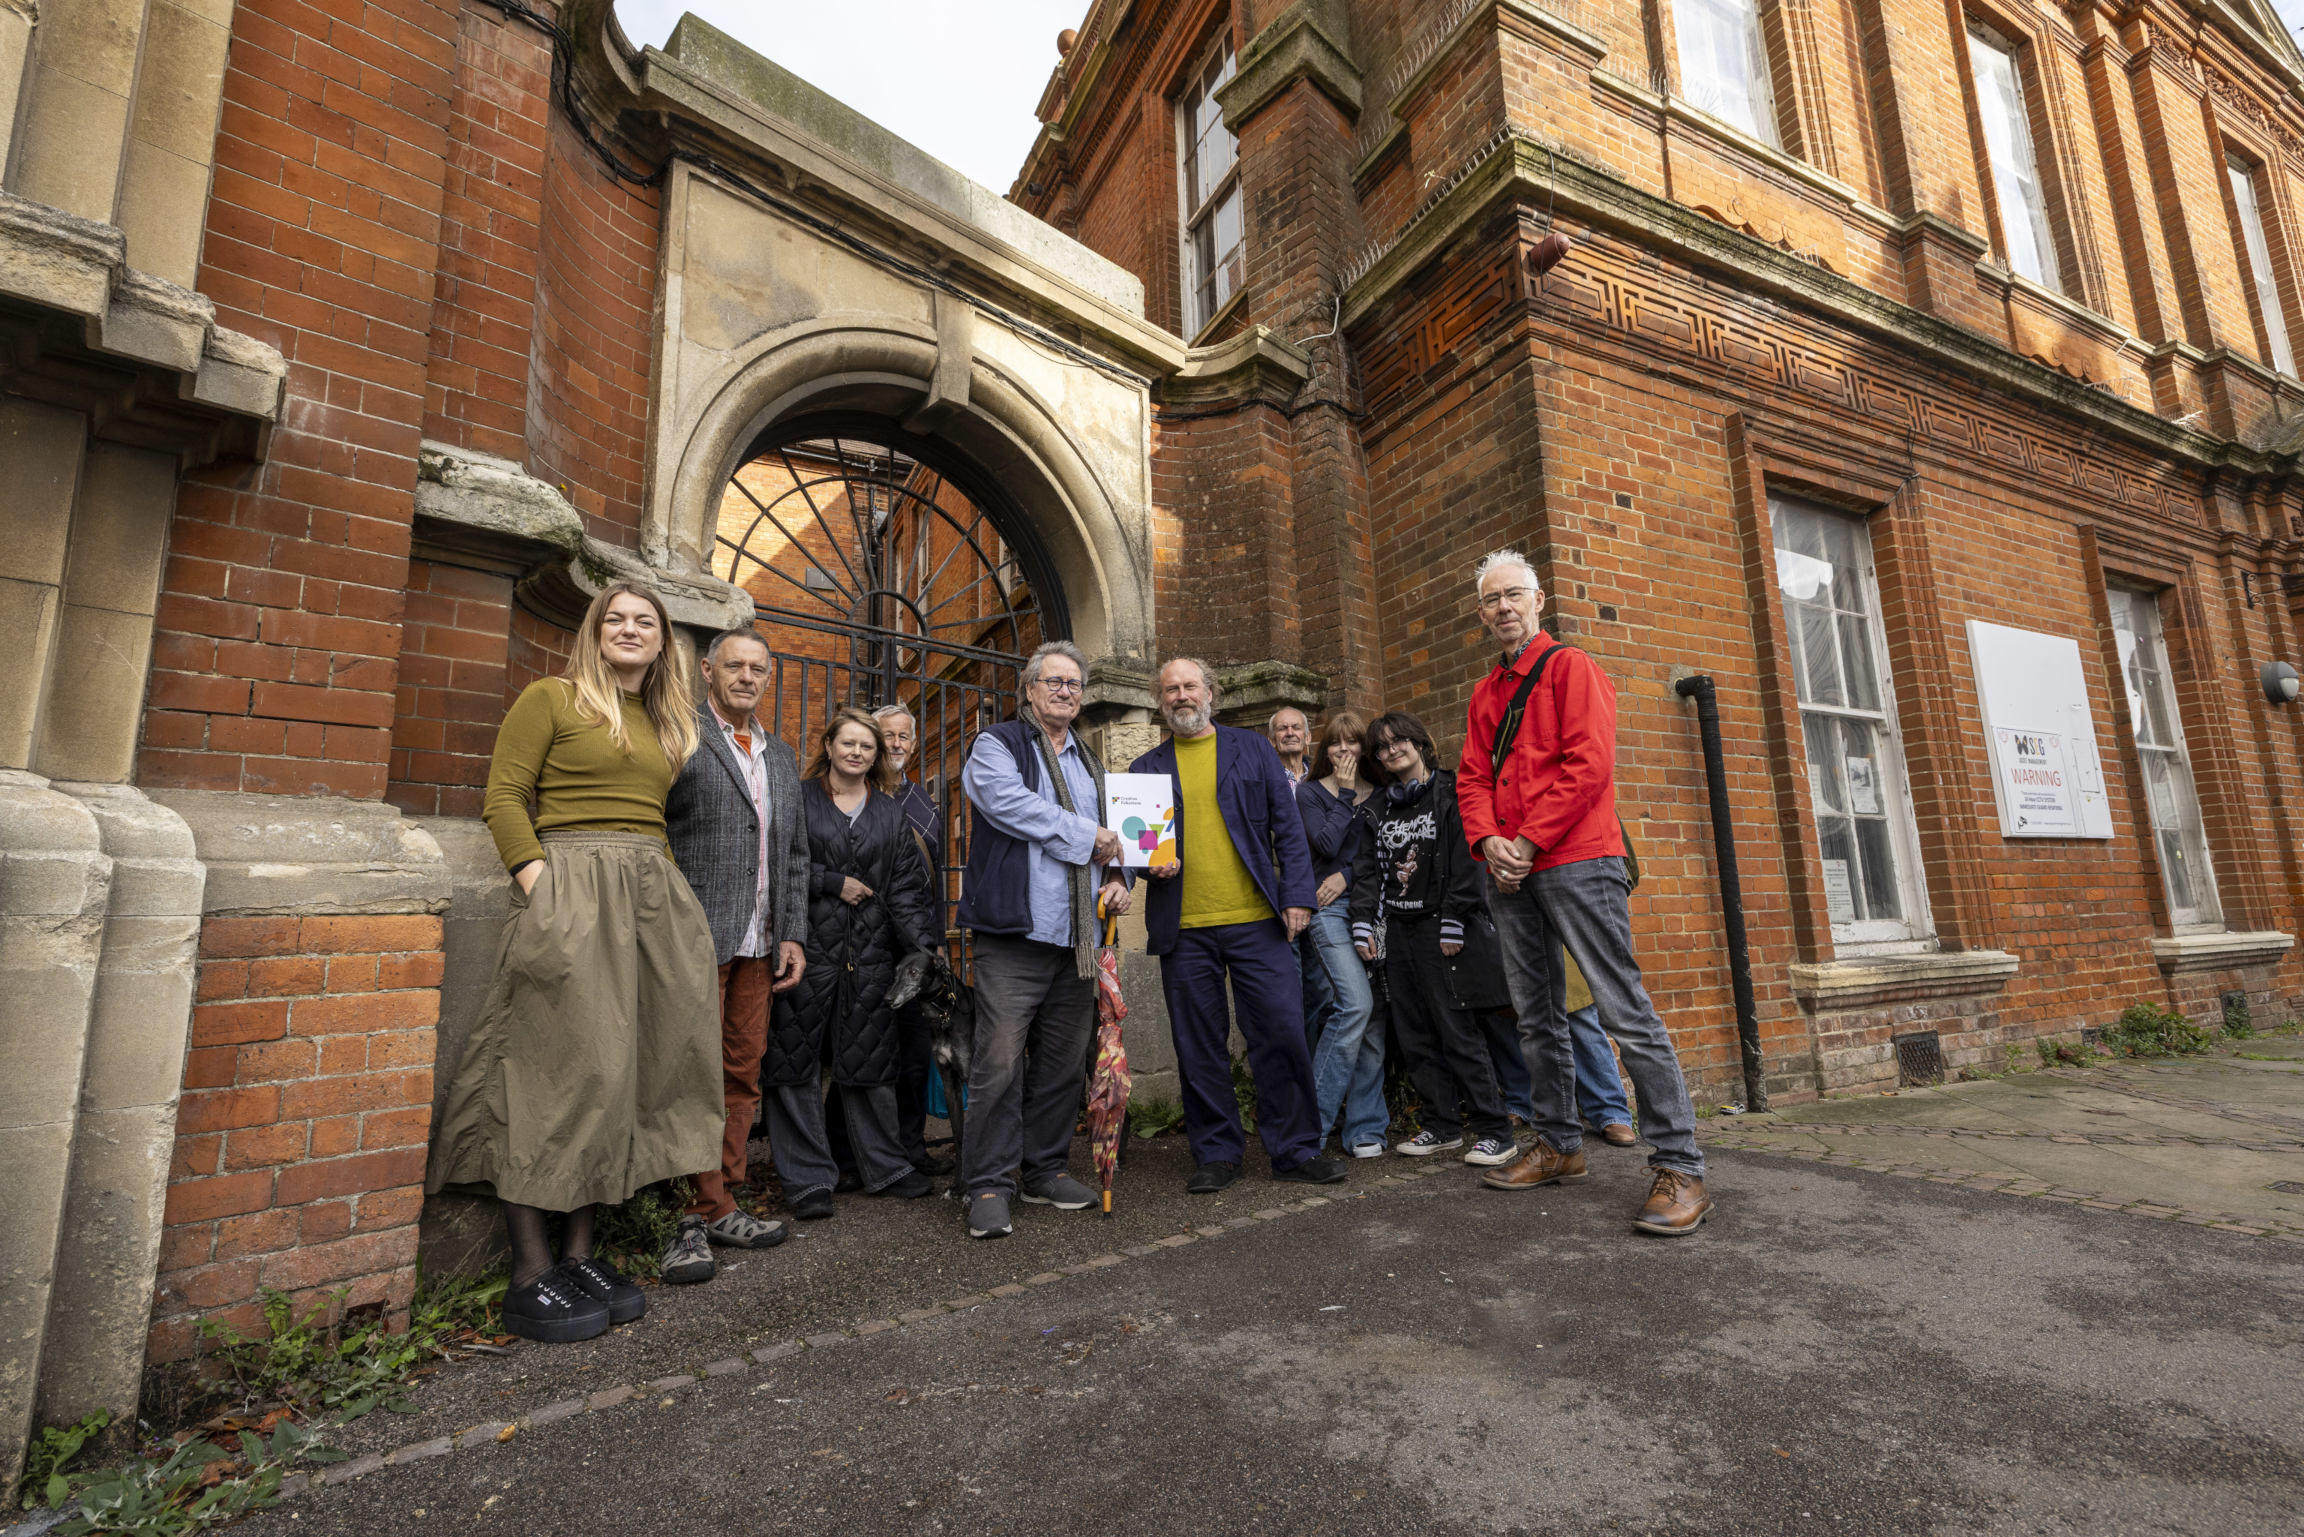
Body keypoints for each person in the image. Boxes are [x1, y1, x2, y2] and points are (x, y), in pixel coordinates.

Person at [428, 582, 720, 1343]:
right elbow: (504, 797)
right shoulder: (551, 697)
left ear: (663, 643)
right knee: (551, 1072)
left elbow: (655, 820)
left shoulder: (665, 719)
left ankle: (581, 1253)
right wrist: (543, 889)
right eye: (615, 618)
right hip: (571, 891)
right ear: (595, 631)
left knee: (616, 1073)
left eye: (644, 622)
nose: (629, 629)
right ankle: (531, 1273)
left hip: (646, 902)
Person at [1456, 549, 1711, 1233]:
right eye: (1491, 599)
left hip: (1575, 858)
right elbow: (1471, 778)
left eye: (1514, 594)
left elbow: (1589, 764)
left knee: (1623, 1010)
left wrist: (1527, 842)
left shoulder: (1572, 668)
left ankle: (1681, 1166)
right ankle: (1560, 1146)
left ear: (1538, 601)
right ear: (1482, 615)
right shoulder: (1485, 694)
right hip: (1511, 867)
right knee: (1535, 1014)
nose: (1503, 607)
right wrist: (1487, 843)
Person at [1129, 659, 1343, 1193]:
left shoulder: (1252, 750)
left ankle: (1295, 1150)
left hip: (1256, 922)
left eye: (1190, 686)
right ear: (1161, 700)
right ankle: (1218, 1153)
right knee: (1197, 1043)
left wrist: (1298, 897)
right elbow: (1136, 847)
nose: (1181, 695)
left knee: (1281, 1033)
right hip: (1184, 928)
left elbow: (1288, 829)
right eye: (1171, 689)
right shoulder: (1143, 768)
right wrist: (1145, 863)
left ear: (1211, 694)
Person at [954, 641, 1131, 1239]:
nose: (1065, 691)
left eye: (1074, 684)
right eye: (1053, 681)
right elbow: (1011, 807)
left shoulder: (1092, 765)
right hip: (1016, 933)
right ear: (1029, 690)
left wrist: (1118, 878)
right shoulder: (997, 745)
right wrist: (1091, 839)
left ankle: (1045, 1169)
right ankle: (987, 1182)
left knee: (1059, 1066)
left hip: (1077, 940)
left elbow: (1119, 841)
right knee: (998, 1063)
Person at [655, 628, 810, 1285]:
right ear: (708, 669)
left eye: (758, 669)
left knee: (743, 1068)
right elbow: (654, 829)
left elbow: (796, 854)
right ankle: (689, 1207)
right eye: (734, 666)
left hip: (759, 940)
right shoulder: (680, 736)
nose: (746, 677)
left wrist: (793, 932)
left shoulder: (781, 756)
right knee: (690, 1070)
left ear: (769, 677)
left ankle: (724, 1195)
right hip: (697, 934)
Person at [761, 708, 941, 1219]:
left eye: (868, 746)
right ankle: (807, 1180)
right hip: (808, 948)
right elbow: (779, 860)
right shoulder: (800, 798)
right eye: (849, 743)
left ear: (876, 755)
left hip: (870, 954)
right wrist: (830, 881)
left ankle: (885, 1167)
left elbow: (906, 888)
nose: (858, 752)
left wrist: (924, 950)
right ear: (830, 746)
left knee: (871, 1058)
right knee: (793, 1062)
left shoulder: (889, 812)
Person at [1348, 711, 1517, 1167]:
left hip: (1441, 931)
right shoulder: (1377, 809)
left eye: (1397, 741)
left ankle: (1495, 1131)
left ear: (1418, 742)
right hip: (1398, 935)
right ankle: (1441, 1127)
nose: (1389, 751)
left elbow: (1470, 855)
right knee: (1415, 1034)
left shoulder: (1451, 791)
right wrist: (1364, 921)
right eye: (1381, 748)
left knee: (1457, 1031)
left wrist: (1455, 918)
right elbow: (1366, 872)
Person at [1295, 710, 1386, 1157]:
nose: (1344, 749)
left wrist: (1348, 876)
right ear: (1325, 749)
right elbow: (1326, 845)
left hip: (1372, 906)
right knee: (1354, 1004)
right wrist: (1346, 792)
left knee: (1373, 1019)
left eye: (1352, 742)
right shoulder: (1311, 793)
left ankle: (1366, 1128)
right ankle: (1311, 1126)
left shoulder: (1383, 793)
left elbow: (1381, 854)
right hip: (1328, 912)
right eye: (1335, 743)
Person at [867, 702, 951, 1176]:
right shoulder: (856, 793)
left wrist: (936, 941)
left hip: (918, 947)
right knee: (869, 1054)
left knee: (917, 1055)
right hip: (867, 943)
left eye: (904, 737)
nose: (896, 744)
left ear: (913, 744)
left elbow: (936, 878)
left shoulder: (925, 802)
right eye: (888, 735)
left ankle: (912, 1150)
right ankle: (867, 1157)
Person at [1268, 706, 1311, 784]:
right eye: (1282, 729)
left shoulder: (1321, 775)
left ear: (1307, 738)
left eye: (1296, 728)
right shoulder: (1263, 778)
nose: (1290, 733)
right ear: (1272, 740)